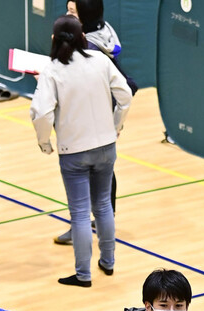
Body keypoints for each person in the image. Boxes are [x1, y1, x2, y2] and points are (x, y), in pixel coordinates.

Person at [30, 15, 132, 286]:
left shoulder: (52, 70)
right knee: (103, 205)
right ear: (82, 37)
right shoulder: (100, 60)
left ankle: (83, 274)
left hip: (73, 151)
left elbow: (41, 112)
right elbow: (125, 95)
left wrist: (44, 142)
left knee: (79, 212)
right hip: (106, 146)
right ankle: (108, 261)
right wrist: (116, 125)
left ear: (54, 39)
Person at [54, 0, 137, 247]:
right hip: (102, 112)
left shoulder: (89, 49)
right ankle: (102, 229)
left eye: (72, 13)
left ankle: (83, 228)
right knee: (102, 168)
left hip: (91, 113)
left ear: (85, 17)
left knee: (86, 172)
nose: (67, 16)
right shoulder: (105, 30)